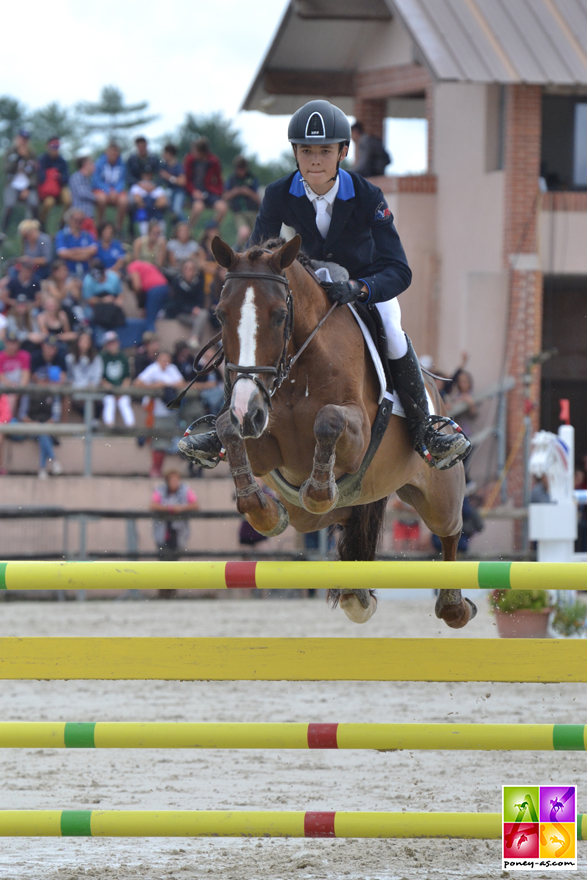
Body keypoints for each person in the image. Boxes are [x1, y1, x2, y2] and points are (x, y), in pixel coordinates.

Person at [179, 99, 470, 471]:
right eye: (306, 151)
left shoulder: (368, 196)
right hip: (308, 288)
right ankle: (226, 428)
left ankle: (426, 429)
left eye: (324, 151)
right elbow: (256, 259)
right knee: (251, 330)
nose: (315, 159)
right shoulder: (278, 194)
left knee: (394, 333)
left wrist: (361, 288)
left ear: (343, 152)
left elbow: (399, 269)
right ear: (295, 153)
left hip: (363, 286)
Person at [135, 350, 183, 477]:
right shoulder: (153, 369)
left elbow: (181, 383)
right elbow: (138, 383)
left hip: (169, 412)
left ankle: (161, 470)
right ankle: (155, 469)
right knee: (157, 443)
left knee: (166, 442)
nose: (164, 363)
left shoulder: (172, 369)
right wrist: (155, 387)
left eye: (167, 360)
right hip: (155, 412)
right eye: (162, 360)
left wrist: (166, 385)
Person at [17, 350, 64, 479]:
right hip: (31, 426)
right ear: (36, 378)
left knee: (43, 433)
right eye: (41, 379)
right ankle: (53, 461)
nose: (43, 382)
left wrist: (45, 425)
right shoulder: (29, 392)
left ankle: (43, 468)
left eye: (45, 379)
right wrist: (32, 424)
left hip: (47, 427)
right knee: (42, 433)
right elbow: (23, 414)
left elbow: (56, 415)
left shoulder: (52, 393)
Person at [150, 469, 199, 581]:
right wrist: (170, 508)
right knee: (162, 562)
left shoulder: (184, 490)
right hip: (163, 531)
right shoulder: (161, 490)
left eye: (177, 480)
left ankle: (172, 588)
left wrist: (181, 508)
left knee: (175, 562)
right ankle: (164, 590)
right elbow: (153, 505)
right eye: (172, 480)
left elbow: (195, 504)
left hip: (178, 532)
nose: (175, 483)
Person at [184, 137, 227, 227]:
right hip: (194, 191)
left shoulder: (213, 161)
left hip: (209, 191)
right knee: (198, 207)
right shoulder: (189, 160)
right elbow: (187, 180)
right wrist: (193, 191)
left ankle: (210, 230)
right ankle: (188, 230)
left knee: (223, 208)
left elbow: (219, 179)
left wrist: (219, 193)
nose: (192, 153)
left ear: (201, 152)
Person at [2, 130, 37, 232]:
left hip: (27, 185)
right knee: (9, 205)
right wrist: (18, 157)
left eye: (26, 139)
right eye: (21, 138)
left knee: (34, 203)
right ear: (17, 138)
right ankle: (3, 231)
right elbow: (7, 169)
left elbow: (34, 173)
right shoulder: (10, 152)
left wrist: (28, 187)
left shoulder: (31, 153)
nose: (23, 141)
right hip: (12, 184)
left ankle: (36, 230)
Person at [100, 331, 135, 427]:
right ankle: (109, 426)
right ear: (106, 345)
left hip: (121, 389)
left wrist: (121, 390)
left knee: (124, 402)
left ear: (118, 343)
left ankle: (131, 428)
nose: (112, 345)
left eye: (114, 342)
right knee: (109, 401)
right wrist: (112, 390)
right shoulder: (102, 357)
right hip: (107, 389)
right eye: (109, 343)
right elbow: (100, 378)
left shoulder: (123, 357)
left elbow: (127, 377)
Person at [92, 142, 128, 229]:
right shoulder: (99, 163)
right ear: (107, 152)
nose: (113, 154)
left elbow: (122, 181)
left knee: (124, 201)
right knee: (101, 199)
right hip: (102, 189)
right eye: (111, 152)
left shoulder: (122, 164)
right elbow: (96, 181)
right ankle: (100, 225)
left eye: (116, 152)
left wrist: (115, 191)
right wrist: (107, 190)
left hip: (116, 191)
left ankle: (118, 227)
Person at [126, 259, 169, 332]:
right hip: (164, 287)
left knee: (149, 321)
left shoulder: (132, 266)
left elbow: (137, 286)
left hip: (154, 290)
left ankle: (151, 341)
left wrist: (138, 298)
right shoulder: (145, 264)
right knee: (154, 316)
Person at [37, 137, 71, 226]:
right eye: (53, 146)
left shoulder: (62, 161)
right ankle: (42, 223)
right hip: (47, 192)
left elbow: (66, 178)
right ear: (48, 147)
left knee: (68, 199)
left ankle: (63, 222)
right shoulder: (42, 159)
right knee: (49, 202)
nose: (55, 149)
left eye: (57, 147)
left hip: (59, 188)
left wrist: (59, 177)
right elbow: (40, 177)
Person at [54, 208, 98, 278]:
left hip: (87, 271)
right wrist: (84, 253)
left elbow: (93, 250)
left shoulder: (87, 235)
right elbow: (62, 253)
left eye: (81, 221)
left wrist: (72, 252)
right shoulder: (62, 235)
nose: (79, 223)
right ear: (69, 220)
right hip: (68, 273)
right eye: (76, 220)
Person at [223, 156, 261, 234]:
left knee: (255, 234)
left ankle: (241, 246)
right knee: (244, 232)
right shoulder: (232, 179)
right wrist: (235, 191)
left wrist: (248, 192)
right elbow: (225, 197)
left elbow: (258, 198)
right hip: (239, 212)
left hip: (253, 211)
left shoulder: (252, 178)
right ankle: (238, 246)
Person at [0, 331, 31, 416]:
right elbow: (1, 377)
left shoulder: (25, 355)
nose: (12, 346)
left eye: (14, 343)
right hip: (5, 386)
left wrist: (19, 388)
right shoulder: (1, 356)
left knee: (29, 393)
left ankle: (23, 418)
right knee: (11, 397)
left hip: (20, 385)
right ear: (5, 343)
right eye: (10, 343)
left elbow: (26, 375)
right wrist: (13, 388)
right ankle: (9, 421)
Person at [160, 143, 187, 221]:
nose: (163, 155)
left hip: (178, 192)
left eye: (165, 153)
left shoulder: (178, 166)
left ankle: (186, 227)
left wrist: (169, 177)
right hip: (169, 191)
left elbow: (182, 181)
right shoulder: (164, 165)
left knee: (177, 210)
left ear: (169, 154)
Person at [69, 157, 97, 225]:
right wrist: (96, 197)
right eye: (91, 164)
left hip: (88, 215)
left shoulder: (88, 179)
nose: (94, 166)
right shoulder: (77, 177)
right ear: (85, 165)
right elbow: (82, 193)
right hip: (80, 217)